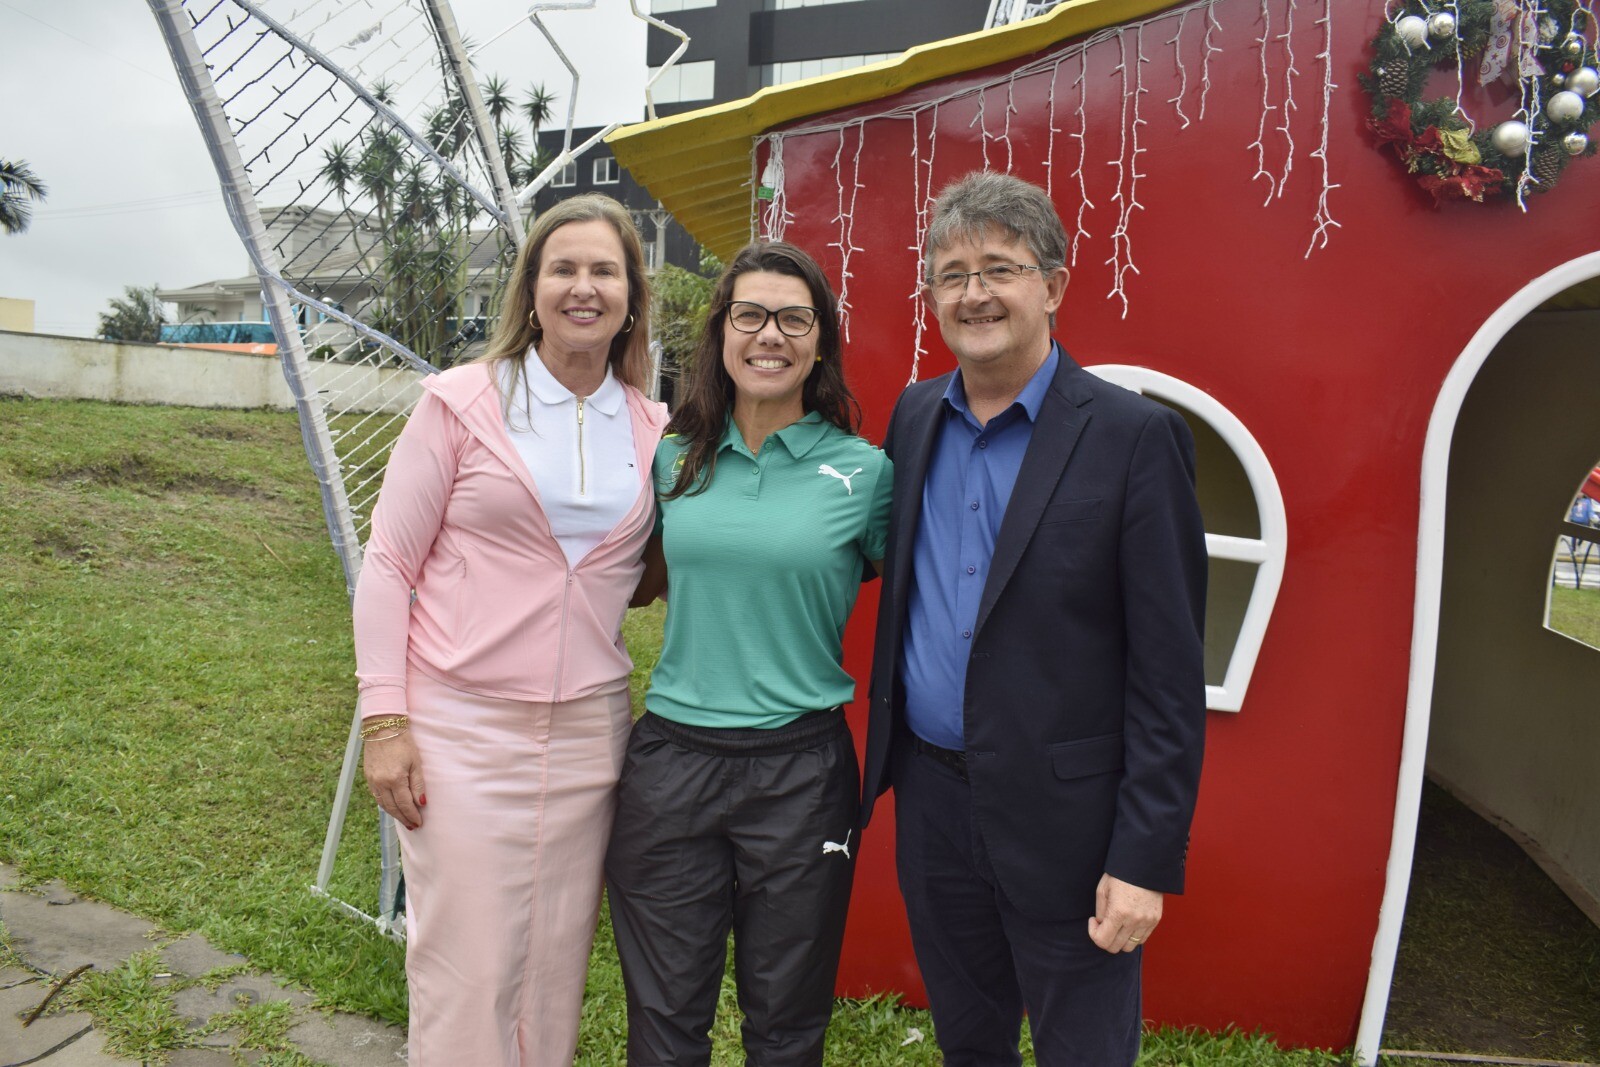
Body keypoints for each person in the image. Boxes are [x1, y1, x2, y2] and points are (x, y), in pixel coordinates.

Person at [860, 170, 1207, 1067]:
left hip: (1073, 825)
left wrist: (1143, 859)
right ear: (932, 293)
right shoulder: (911, 417)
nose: (974, 292)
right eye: (952, 272)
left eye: (1000, 268)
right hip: (934, 805)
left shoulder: (1134, 438)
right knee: (970, 1044)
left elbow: (1169, 673)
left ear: (1052, 285)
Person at [351, 193, 669, 1067]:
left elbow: (651, 571)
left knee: (554, 962)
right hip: (459, 725)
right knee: (468, 962)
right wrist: (386, 721)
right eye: (562, 267)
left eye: (604, 270)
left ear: (631, 295)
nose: (583, 286)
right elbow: (388, 566)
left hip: (587, 733)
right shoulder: (459, 403)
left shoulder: (655, 430)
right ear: (530, 289)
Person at [605, 241, 891, 1067]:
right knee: (663, 1023)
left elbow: (914, 598)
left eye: (794, 318)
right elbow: (625, 579)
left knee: (788, 1025)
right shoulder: (670, 457)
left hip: (801, 773)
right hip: (672, 765)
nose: (771, 335)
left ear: (819, 341)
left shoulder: (865, 474)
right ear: (722, 333)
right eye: (751, 315)